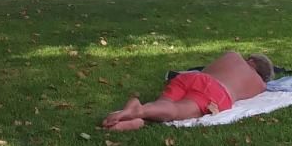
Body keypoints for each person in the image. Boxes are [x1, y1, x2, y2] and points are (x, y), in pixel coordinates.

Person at [102, 52, 275, 131]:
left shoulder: (233, 56)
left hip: (193, 78)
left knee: (165, 105)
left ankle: (140, 119)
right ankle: (140, 111)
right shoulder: (260, 84)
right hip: (216, 93)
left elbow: (207, 69)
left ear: (250, 59)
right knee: (176, 111)